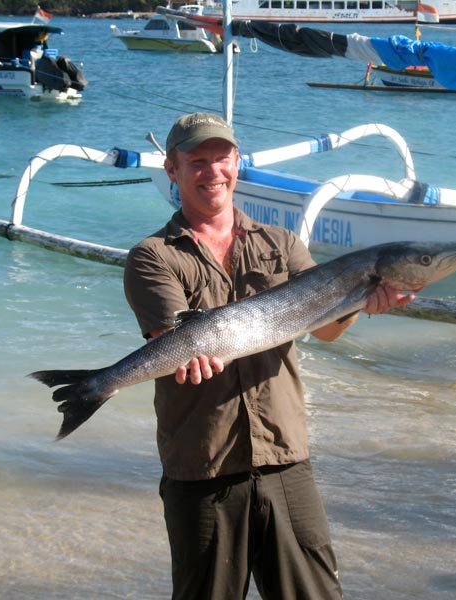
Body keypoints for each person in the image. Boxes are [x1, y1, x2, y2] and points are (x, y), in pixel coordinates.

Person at [123, 113, 415, 599]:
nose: (212, 172)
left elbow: (326, 330)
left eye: (222, 159)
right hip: (203, 467)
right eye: (197, 161)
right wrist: (182, 357)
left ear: (237, 163)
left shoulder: (282, 245)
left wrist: (363, 304)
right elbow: (169, 338)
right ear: (172, 169)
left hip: (284, 460)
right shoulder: (153, 255)